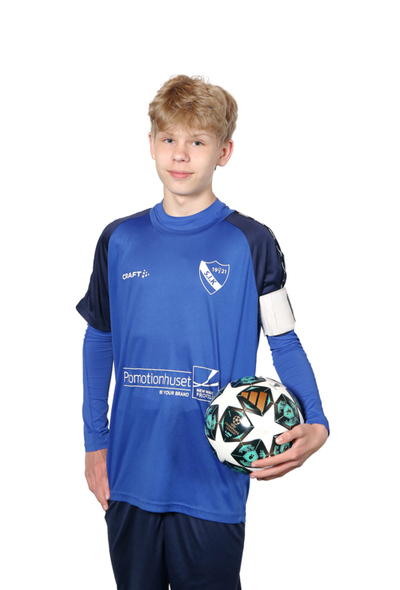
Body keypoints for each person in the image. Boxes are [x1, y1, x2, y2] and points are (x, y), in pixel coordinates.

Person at [77, 74, 329, 590]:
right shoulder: (119, 238)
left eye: (197, 141)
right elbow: (99, 339)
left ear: (224, 152)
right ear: (151, 144)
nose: (180, 154)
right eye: (169, 138)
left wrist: (318, 421)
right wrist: (94, 443)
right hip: (130, 469)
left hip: (212, 476)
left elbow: (283, 341)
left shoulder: (251, 242)